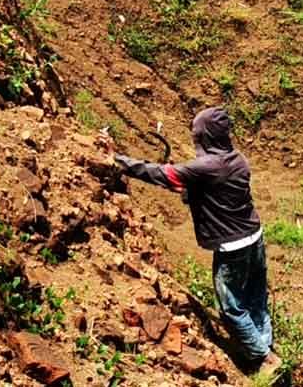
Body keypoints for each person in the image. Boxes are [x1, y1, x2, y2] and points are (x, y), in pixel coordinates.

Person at [113, 107, 282, 374]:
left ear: (205, 137)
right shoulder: (238, 160)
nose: (194, 139)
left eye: (197, 135)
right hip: (255, 238)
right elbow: (210, 189)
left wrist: (119, 161)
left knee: (230, 308)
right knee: (255, 300)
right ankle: (265, 346)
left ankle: (264, 358)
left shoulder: (205, 167)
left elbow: (160, 174)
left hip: (233, 247)